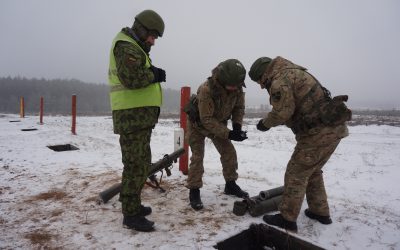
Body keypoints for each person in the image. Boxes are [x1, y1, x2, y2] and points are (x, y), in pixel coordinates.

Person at [249, 56, 351, 232]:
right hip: (334, 130)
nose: (260, 85)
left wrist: (264, 124)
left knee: (296, 173)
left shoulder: (279, 80)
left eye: (259, 80)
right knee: (312, 171)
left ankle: (287, 218)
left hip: (317, 133)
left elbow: (283, 112)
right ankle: (320, 212)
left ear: (263, 74)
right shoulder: (293, 73)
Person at [108, 9, 166, 232]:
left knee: (141, 163)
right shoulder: (126, 47)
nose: (153, 40)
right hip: (131, 118)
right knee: (135, 165)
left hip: (138, 118)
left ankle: (133, 203)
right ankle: (130, 215)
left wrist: (151, 72)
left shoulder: (135, 46)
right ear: (141, 29)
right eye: (152, 35)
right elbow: (131, 78)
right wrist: (154, 74)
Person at [185, 59, 250, 211]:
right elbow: (206, 120)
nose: (235, 88)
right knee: (197, 157)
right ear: (221, 80)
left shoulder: (237, 88)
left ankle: (230, 185)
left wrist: (237, 126)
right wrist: (229, 133)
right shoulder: (206, 89)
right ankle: (194, 191)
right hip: (198, 125)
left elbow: (239, 108)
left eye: (237, 86)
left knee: (229, 153)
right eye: (232, 85)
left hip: (219, 124)